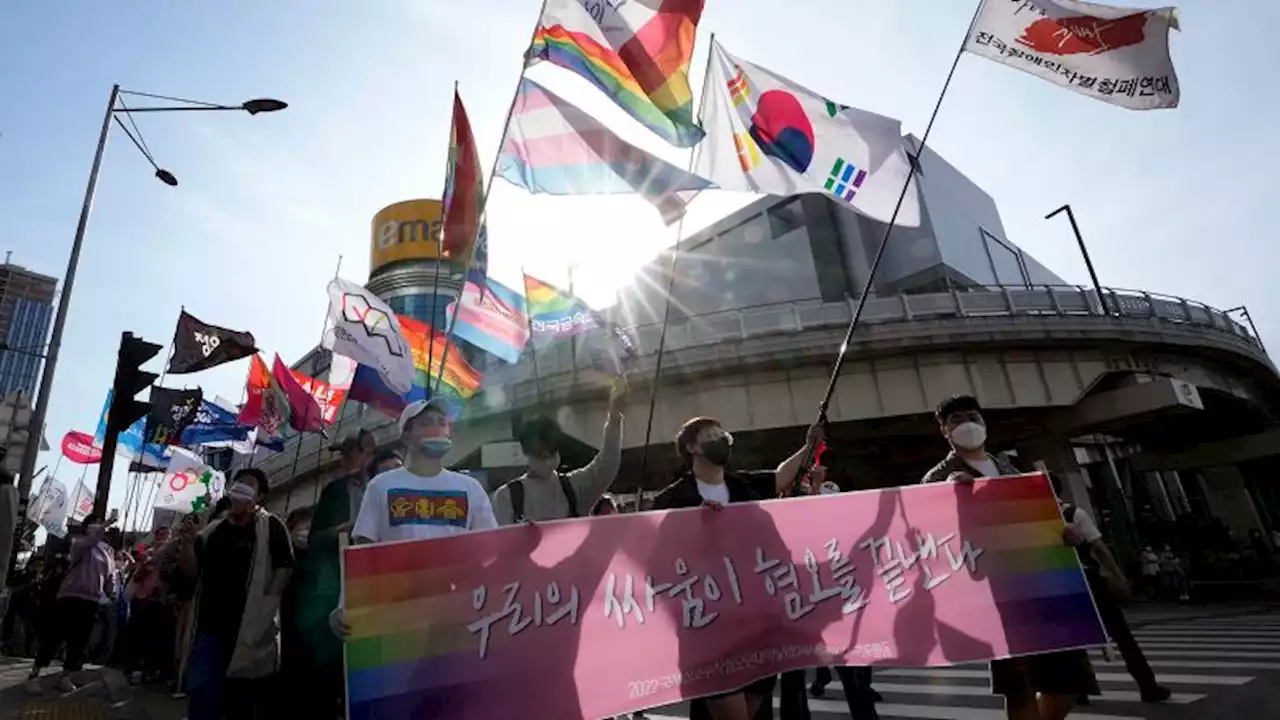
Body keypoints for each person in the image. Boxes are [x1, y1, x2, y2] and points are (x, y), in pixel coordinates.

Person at [921, 394, 1098, 720]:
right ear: (944, 430)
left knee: (1069, 684)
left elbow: (1046, 519)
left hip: (1045, 584)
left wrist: (1065, 535)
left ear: (984, 423)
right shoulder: (939, 478)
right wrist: (950, 496)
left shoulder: (1011, 470)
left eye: (971, 416)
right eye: (955, 420)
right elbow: (932, 534)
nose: (966, 424)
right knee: (1020, 686)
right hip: (998, 594)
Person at [654, 416, 823, 720]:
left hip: (753, 625)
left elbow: (782, 476)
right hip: (706, 629)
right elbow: (659, 561)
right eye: (711, 435)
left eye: (723, 434)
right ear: (692, 446)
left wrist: (808, 446)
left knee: (753, 711)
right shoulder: (672, 500)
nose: (720, 439)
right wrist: (693, 527)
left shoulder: (742, 485)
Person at [331, 398, 498, 637]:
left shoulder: (470, 489)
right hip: (396, 616)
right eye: (427, 422)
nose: (437, 428)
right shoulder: (382, 486)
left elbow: (489, 552)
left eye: (442, 422)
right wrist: (345, 605)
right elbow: (363, 554)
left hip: (455, 616)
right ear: (407, 435)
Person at [179, 469, 294, 719]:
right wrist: (187, 542)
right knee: (202, 695)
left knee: (241, 700)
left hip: (250, 630)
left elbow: (285, 566)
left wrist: (268, 604)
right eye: (239, 484)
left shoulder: (271, 526)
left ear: (260, 495)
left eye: (249, 486)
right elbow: (191, 572)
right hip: (210, 629)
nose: (242, 489)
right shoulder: (212, 532)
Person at [1058, 497, 1170, 704]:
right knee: (1122, 635)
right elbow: (1099, 548)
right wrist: (1117, 575)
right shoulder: (1074, 513)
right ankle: (1148, 686)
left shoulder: (1037, 520)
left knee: (1072, 641)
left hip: (1060, 584)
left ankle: (1078, 692)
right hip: (1089, 583)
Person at [299, 428, 377, 717]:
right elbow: (315, 538)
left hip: (378, 585)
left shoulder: (385, 488)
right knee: (332, 665)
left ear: (368, 452)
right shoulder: (335, 490)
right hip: (334, 586)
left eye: (350, 452)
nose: (344, 459)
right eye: (342, 453)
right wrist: (340, 531)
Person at [492, 377, 626, 525]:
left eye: (553, 452)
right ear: (526, 453)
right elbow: (501, 544)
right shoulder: (507, 497)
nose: (548, 460)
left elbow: (607, 466)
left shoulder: (574, 488)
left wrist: (614, 418)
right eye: (541, 455)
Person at [25, 512, 117, 695]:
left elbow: (110, 574)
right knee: (55, 636)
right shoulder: (79, 544)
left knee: (79, 641)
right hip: (70, 596)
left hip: (91, 600)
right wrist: (105, 524)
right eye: (95, 524)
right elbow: (91, 540)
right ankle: (34, 675)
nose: (100, 528)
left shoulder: (106, 552)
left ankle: (65, 675)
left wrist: (111, 591)